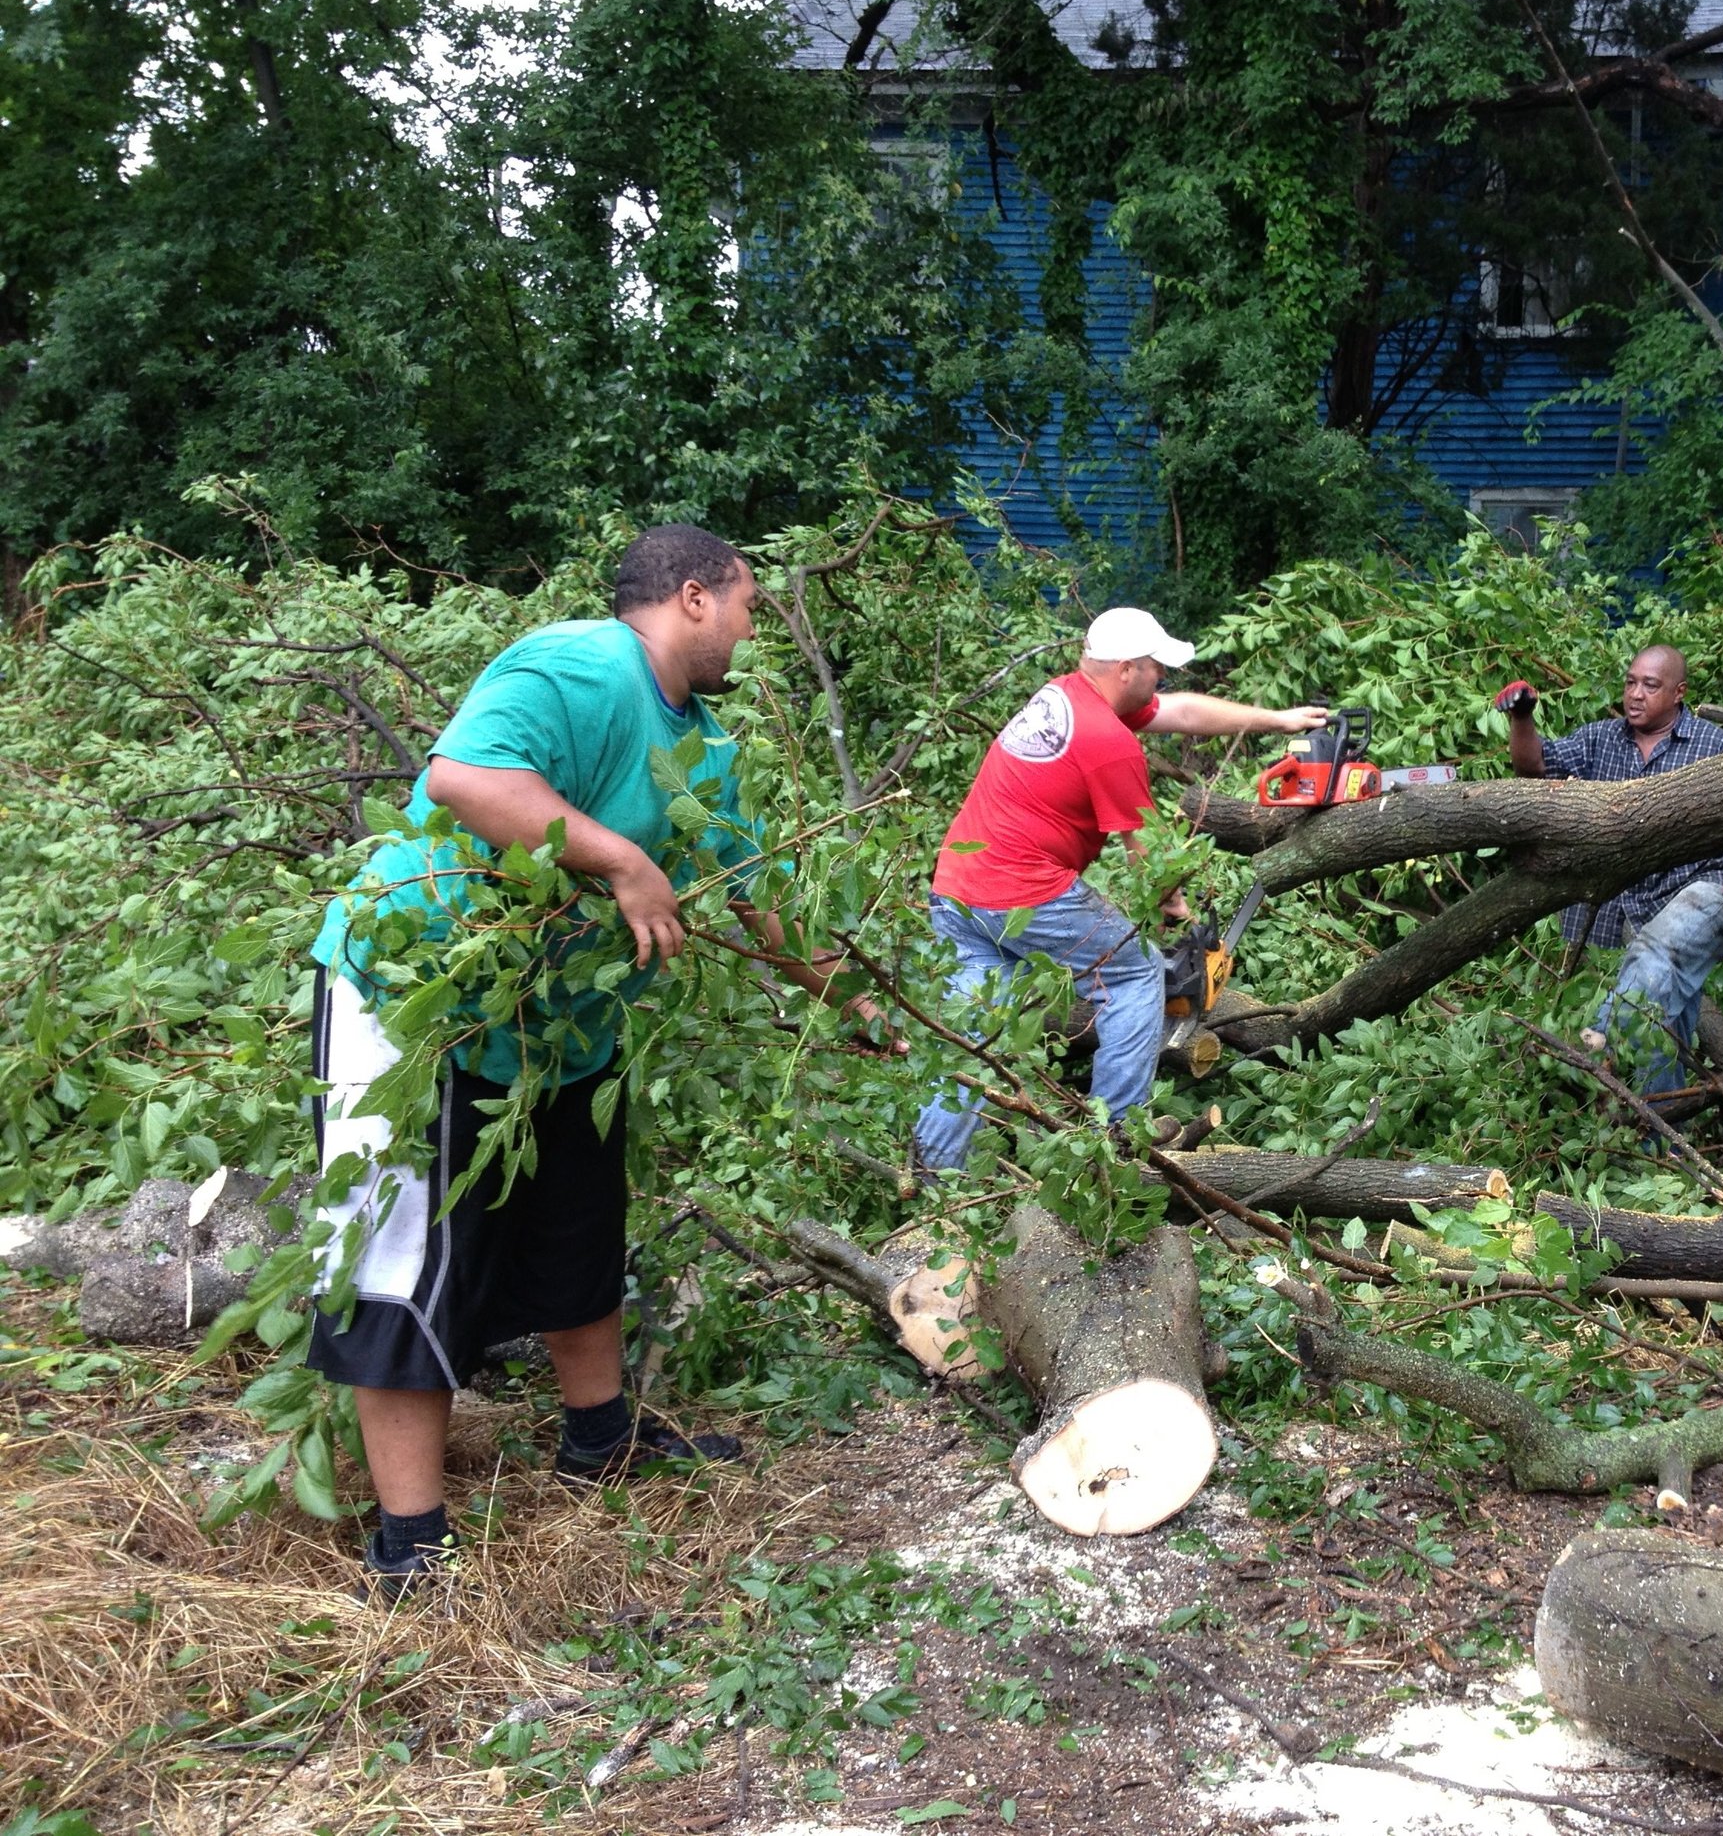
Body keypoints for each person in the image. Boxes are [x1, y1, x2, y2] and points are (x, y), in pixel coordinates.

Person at [308, 522, 835, 1592]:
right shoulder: (578, 665)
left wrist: (845, 989)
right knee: (405, 1255)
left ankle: (600, 1436)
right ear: (693, 595)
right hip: (426, 1011)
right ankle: (411, 1542)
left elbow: (748, 883)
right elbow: (464, 779)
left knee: (578, 1223)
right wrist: (620, 858)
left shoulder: (700, 745)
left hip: (560, 1025)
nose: (749, 625)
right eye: (745, 601)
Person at [911, 607, 1327, 1171]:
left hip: (958, 889)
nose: (1163, 680)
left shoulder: (1064, 694)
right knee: (1134, 975)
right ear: (1128, 668)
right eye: (1158, 668)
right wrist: (1172, 903)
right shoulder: (1108, 740)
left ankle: (936, 1178)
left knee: (968, 1033)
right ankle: (1117, 1139)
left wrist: (1277, 720)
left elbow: (1180, 711)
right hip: (1024, 889)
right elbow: (1149, 860)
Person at [1495, 644, 1723, 1102]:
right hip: (1632, 901)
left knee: (1657, 950)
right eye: (1630, 682)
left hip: (1713, 887)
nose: (1636, 694)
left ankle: (1596, 1040)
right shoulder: (1601, 739)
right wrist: (1522, 717)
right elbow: (1533, 767)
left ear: (1679, 692)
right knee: (1659, 1021)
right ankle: (1662, 1137)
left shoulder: (1714, 746)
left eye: (1650, 685)